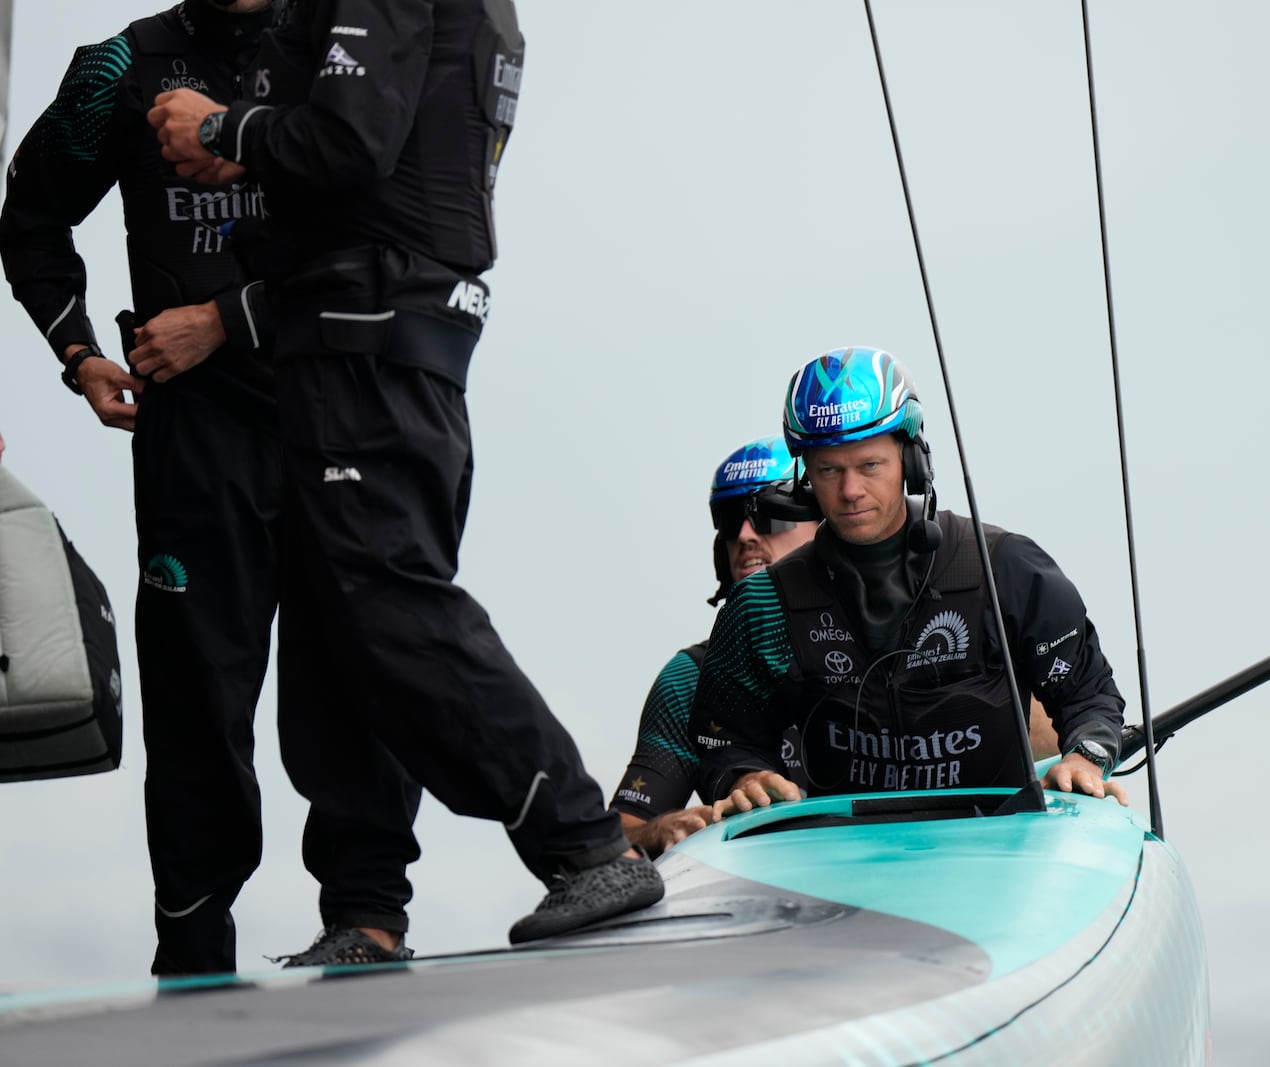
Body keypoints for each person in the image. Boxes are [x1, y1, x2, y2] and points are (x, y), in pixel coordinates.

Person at [147, 0, 664, 953]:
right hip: (349, 342)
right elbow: (363, 138)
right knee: (334, 632)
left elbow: (350, 140)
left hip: (373, 347)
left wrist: (222, 126)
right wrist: (257, 149)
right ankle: (367, 911)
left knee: (389, 603)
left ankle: (585, 845)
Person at [0, 0, 305, 976]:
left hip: (336, 411)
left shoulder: (345, 50)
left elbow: (404, 225)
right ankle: (192, 949)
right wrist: (79, 352)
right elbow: (31, 219)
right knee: (195, 703)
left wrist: (223, 319)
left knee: (359, 669)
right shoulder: (122, 69)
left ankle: (367, 911)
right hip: (195, 441)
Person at [689, 346, 1130, 811]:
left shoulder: (1005, 566)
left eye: (870, 466)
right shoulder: (764, 603)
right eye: (829, 470)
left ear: (912, 461)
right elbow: (724, 739)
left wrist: (1085, 756)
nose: (850, 490)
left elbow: (1089, 694)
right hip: (837, 860)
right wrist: (743, 775)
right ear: (805, 481)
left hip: (1001, 847)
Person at [611, 435, 818, 856]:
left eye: (769, 517)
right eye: (730, 518)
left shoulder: (902, 639)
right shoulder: (690, 677)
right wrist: (662, 829)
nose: (744, 534)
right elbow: (618, 835)